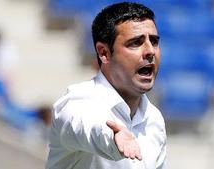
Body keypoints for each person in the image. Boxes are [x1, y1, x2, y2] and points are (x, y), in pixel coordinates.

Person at [46, 2, 166, 169]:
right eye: (135, 43)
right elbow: (85, 126)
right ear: (104, 53)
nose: (150, 51)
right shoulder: (76, 101)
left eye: (153, 41)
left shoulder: (154, 119)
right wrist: (112, 138)